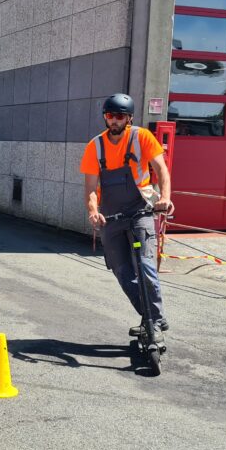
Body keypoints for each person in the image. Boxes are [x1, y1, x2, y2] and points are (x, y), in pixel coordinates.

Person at [79, 93, 174, 339]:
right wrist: (93, 212)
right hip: (111, 215)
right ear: (105, 118)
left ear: (129, 118)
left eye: (119, 116)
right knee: (122, 271)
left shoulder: (141, 137)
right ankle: (148, 317)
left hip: (140, 209)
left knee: (145, 267)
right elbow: (90, 187)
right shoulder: (94, 146)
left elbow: (161, 169)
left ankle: (156, 318)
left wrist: (164, 197)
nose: (114, 121)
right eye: (110, 116)